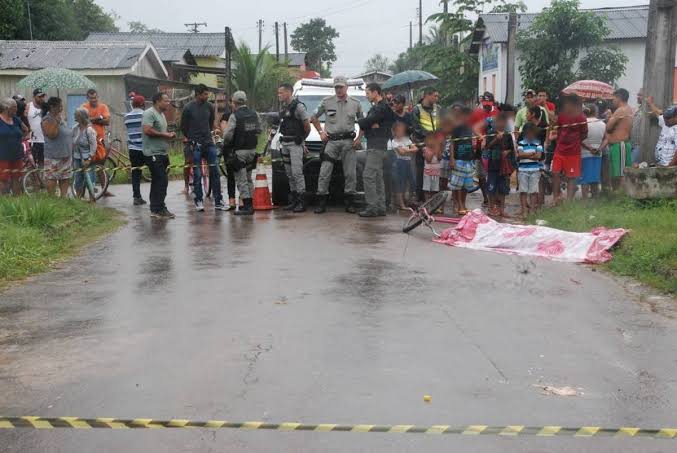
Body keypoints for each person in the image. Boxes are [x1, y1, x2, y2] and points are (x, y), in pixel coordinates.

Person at [310, 76, 364, 214]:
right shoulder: (327, 102)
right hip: (331, 142)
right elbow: (313, 117)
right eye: (336, 87)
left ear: (346, 87)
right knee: (324, 171)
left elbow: (363, 123)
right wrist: (321, 132)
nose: (339, 89)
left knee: (350, 173)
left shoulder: (355, 103)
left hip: (348, 142)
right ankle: (321, 200)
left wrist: (359, 138)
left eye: (341, 87)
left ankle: (349, 202)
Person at [181, 84, 225, 211]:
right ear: (198, 94)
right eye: (205, 94)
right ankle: (199, 200)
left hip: (208, 143)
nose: (207, 96)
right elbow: (183, 127)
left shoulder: (209, 107)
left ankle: (218, 200)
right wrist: (191, 138)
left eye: (207, 94)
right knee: (198, 174)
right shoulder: (188, 108)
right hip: (195, 144)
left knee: (215, 171)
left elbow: (210, 123)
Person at [222, 90, 262, 216]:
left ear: (234, 103)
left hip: (239, 152)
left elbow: (228, 135)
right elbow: (259, 130)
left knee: (241, 180)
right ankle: (251, 204)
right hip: (252, 150)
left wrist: (226, 143)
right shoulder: (254, 114)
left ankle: (247, 207)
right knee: (248, 178)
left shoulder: (235, 116)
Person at [358, 82, 394, 217]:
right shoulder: (381, 107)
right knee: (378, 177)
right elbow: (370, 123)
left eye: (368, 93)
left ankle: (372, 207)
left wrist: (365, 121)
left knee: (368, 176)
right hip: (378, 145)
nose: (366, 96)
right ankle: (380, 206)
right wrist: (369, 123)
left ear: (375, 92)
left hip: (376, 145)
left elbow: (366, 122)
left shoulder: (380, 108)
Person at [277, 82, 311, 213]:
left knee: (297, 173)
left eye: (281, 93)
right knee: (289, 174)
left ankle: (302, 201)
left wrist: (302, 140)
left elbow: (307, 126)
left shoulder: (299, 107)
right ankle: (294, 200)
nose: (279, 95)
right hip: (285, 143)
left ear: (289, 92)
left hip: (295, 145)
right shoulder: (285, 107)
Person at [142, 92, 176, 219]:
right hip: (152, 153)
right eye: (166, 101)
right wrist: (165, 135)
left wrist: (168, 134)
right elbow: (147, 130)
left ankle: (155, 208)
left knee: (158, 181)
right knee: (161, 181)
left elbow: (160, 131)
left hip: (162, 153)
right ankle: (160, 208)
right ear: (157, 101)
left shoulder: (161, 114)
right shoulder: (149, 113)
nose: (168, 103)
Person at [551, 94, 587, 204]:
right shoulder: (562, 116)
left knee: (572, 176)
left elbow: (584, 134)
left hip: (573, 152)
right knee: (555, 173)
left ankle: (569, 201)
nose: (566, 105)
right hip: (560, 150)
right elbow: (557, 128)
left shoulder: (582, 118)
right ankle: (556, 198)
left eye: (568, 103)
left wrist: (574, 140)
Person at [81, 88, 112, 196]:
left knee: (100, 165)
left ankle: (104, 190)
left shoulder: (103, 106)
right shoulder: (84, 107)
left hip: (100, 140)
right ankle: (83, 191)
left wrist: (92, 119)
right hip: (87, 141)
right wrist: (99, 118)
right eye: (91, 98)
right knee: (86, 165)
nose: (93, 100)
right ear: (87, 98)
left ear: (97, 97)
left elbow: (107, 121)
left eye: (95, 97)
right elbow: (84, 120)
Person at [412, 87, 441, 201]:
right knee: (421, 171)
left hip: (436, 145)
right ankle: (420, 198)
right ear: (427, 96)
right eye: (435, 95)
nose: (437, 98)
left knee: (435, 172)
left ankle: (433, 198)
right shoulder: (416, 110)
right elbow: (416, 128)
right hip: (422, 145)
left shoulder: (438, 108)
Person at [41, 97, 72, 198]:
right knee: (52, 177)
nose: (61, 108)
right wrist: (56, 122)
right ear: (52, 107)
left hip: (65, 154)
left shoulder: (60, 117)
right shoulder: (47, 119)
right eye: (59, 106)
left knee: (65, 177)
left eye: (61, 106)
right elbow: (51, 135)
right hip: (53, 155)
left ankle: (63, 198)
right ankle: (52, 199)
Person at [485, 113, 513, 217]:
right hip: (492, 164)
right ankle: (491, 208)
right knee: (491, 187)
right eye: (498, 121)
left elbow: (511, 148)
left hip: (503, 166)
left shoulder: (508, 134)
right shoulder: (490, 133)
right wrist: (496, 139)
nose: (500, 123)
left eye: (502, 122)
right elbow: (487, 147)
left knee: (503, 188)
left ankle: (502, 209)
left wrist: (507, 151)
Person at [606, 88, 634, 191]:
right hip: (619, 145)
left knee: (621, 173)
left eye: (614, 98)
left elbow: (608, 127)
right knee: (617, 173)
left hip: (620, 145)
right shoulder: (629, 109)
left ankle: (622, 197)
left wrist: (610, 117)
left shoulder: (620, 110)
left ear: (619, 98)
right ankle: (618, 195)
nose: (613, 101)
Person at [449, 107, 475, 215]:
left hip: (468, 159)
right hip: (459, 159)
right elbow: (452, 143)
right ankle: (458, 204)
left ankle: (463, 204)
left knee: (466, 185)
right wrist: (452, 158)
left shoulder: (470, 128)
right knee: (457, 185)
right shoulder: (456, 128)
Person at [0, 98, 27, 195]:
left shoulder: (16, 119)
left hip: (17, 155)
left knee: (17, 178)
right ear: (6, 108)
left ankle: (17, 203)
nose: (16, 109)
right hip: (2, 156)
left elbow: (26, 129)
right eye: (14, 107)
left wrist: (20, 139)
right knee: (3, 180)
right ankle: (5, 202)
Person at [516, 122, 543, 218]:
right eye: (528, 133)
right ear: (524, 133)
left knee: (533, 191)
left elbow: (539, 156)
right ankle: (524, 210)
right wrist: (532, 154)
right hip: (523, 170)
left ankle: (531, 210)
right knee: (523, 191)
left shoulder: (538, 143)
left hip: (535, 171)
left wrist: (526, 155)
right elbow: (519, 154)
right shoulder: (521, 143)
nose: (529, 135)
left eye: (531, 133)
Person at [123, 95, 147, 205]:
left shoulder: (126, 117)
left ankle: (136, 197)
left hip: (133, 148)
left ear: (132, 104)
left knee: (135, 173)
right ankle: (156, 197)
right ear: (143, 104)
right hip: (146, 148)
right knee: (155, 172)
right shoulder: (145, 115)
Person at [580, 104, 606, 199]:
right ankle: (595, 199)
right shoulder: (602, 124)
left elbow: (580, 138)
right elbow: (606, 139)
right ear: (596, 112)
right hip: (598, 154)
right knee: (595, 177)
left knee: (585, 178)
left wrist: (590, 148)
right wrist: (599, 148)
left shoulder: (583, 123)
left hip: (585, 153)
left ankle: (585, 200)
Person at [389, 121, 417, 210]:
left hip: (408, 163)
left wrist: (406, 150)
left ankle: (408, 201)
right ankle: (401, 204)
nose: (401, 132)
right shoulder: (393, 141)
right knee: (400, 184)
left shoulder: (407, 139)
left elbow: (415, 149)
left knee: (412, 182)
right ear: (394, 131)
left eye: (402, 130)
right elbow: (401, 153)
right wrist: (409, 150)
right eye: (398, 130)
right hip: (399, 163)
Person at [72, 108, 98, 202]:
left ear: (81, 117)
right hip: (77, 157)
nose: (74, 116)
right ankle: (78, 199)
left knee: (89, 178)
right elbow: (72, 142)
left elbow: (93, 145)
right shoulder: (75, 128)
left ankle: (92, 199)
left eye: (76, 115)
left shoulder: (89, 130)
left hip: (87, 157)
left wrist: (89, 158)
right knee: (78, 178)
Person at [218, 102, 239, 210]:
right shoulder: (228, 115)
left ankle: (233, 202)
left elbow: (225, 133)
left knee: (232, 176)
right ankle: (241, 201)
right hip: (239, 148)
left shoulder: (227, 116)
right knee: (240, 176)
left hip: (231, 149)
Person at [646, 97, 677, 167]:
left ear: (675, 117)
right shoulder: (666, 123)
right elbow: (657, 113)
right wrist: (651, 103)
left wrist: (669, 167)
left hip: (669, 167)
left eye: (668, 118)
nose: (665, 119)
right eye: (665, 117)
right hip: (660, 165)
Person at [27, 88, 46, 167]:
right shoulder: (28, 106)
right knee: (32, 163)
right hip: (32, 140)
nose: (41, 98)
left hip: (44, 140)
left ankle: (41, 178)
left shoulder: (45, 107)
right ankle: (33, 178)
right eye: (39, 96)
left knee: (43, 162)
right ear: (34, 97)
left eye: (43, 96)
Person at [422, 133, 443, 202]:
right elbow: (428, 160)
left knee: (435, 189)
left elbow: (440, 158)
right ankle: (427, 202)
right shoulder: (425, 149)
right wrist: (433, 151)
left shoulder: (438, 148)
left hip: (436, 172)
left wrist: (438, 150)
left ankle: (433, 202)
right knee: (427, 188)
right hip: (428, 172)